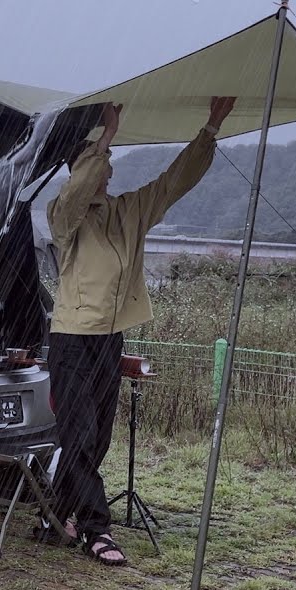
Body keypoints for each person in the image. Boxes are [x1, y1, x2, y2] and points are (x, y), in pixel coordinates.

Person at [42, 96, 236, 566]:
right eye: (97, 165)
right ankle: (95, 530)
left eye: (107, 167)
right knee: (80, 434)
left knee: (97, 436)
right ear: (82, 169)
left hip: (110, 339)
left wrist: (211, 126)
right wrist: (106, 135)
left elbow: (174, 182)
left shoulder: (128, 212)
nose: (106, 173)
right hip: (71, 337)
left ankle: (55, 514)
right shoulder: (63, 215)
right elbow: (77, 188)